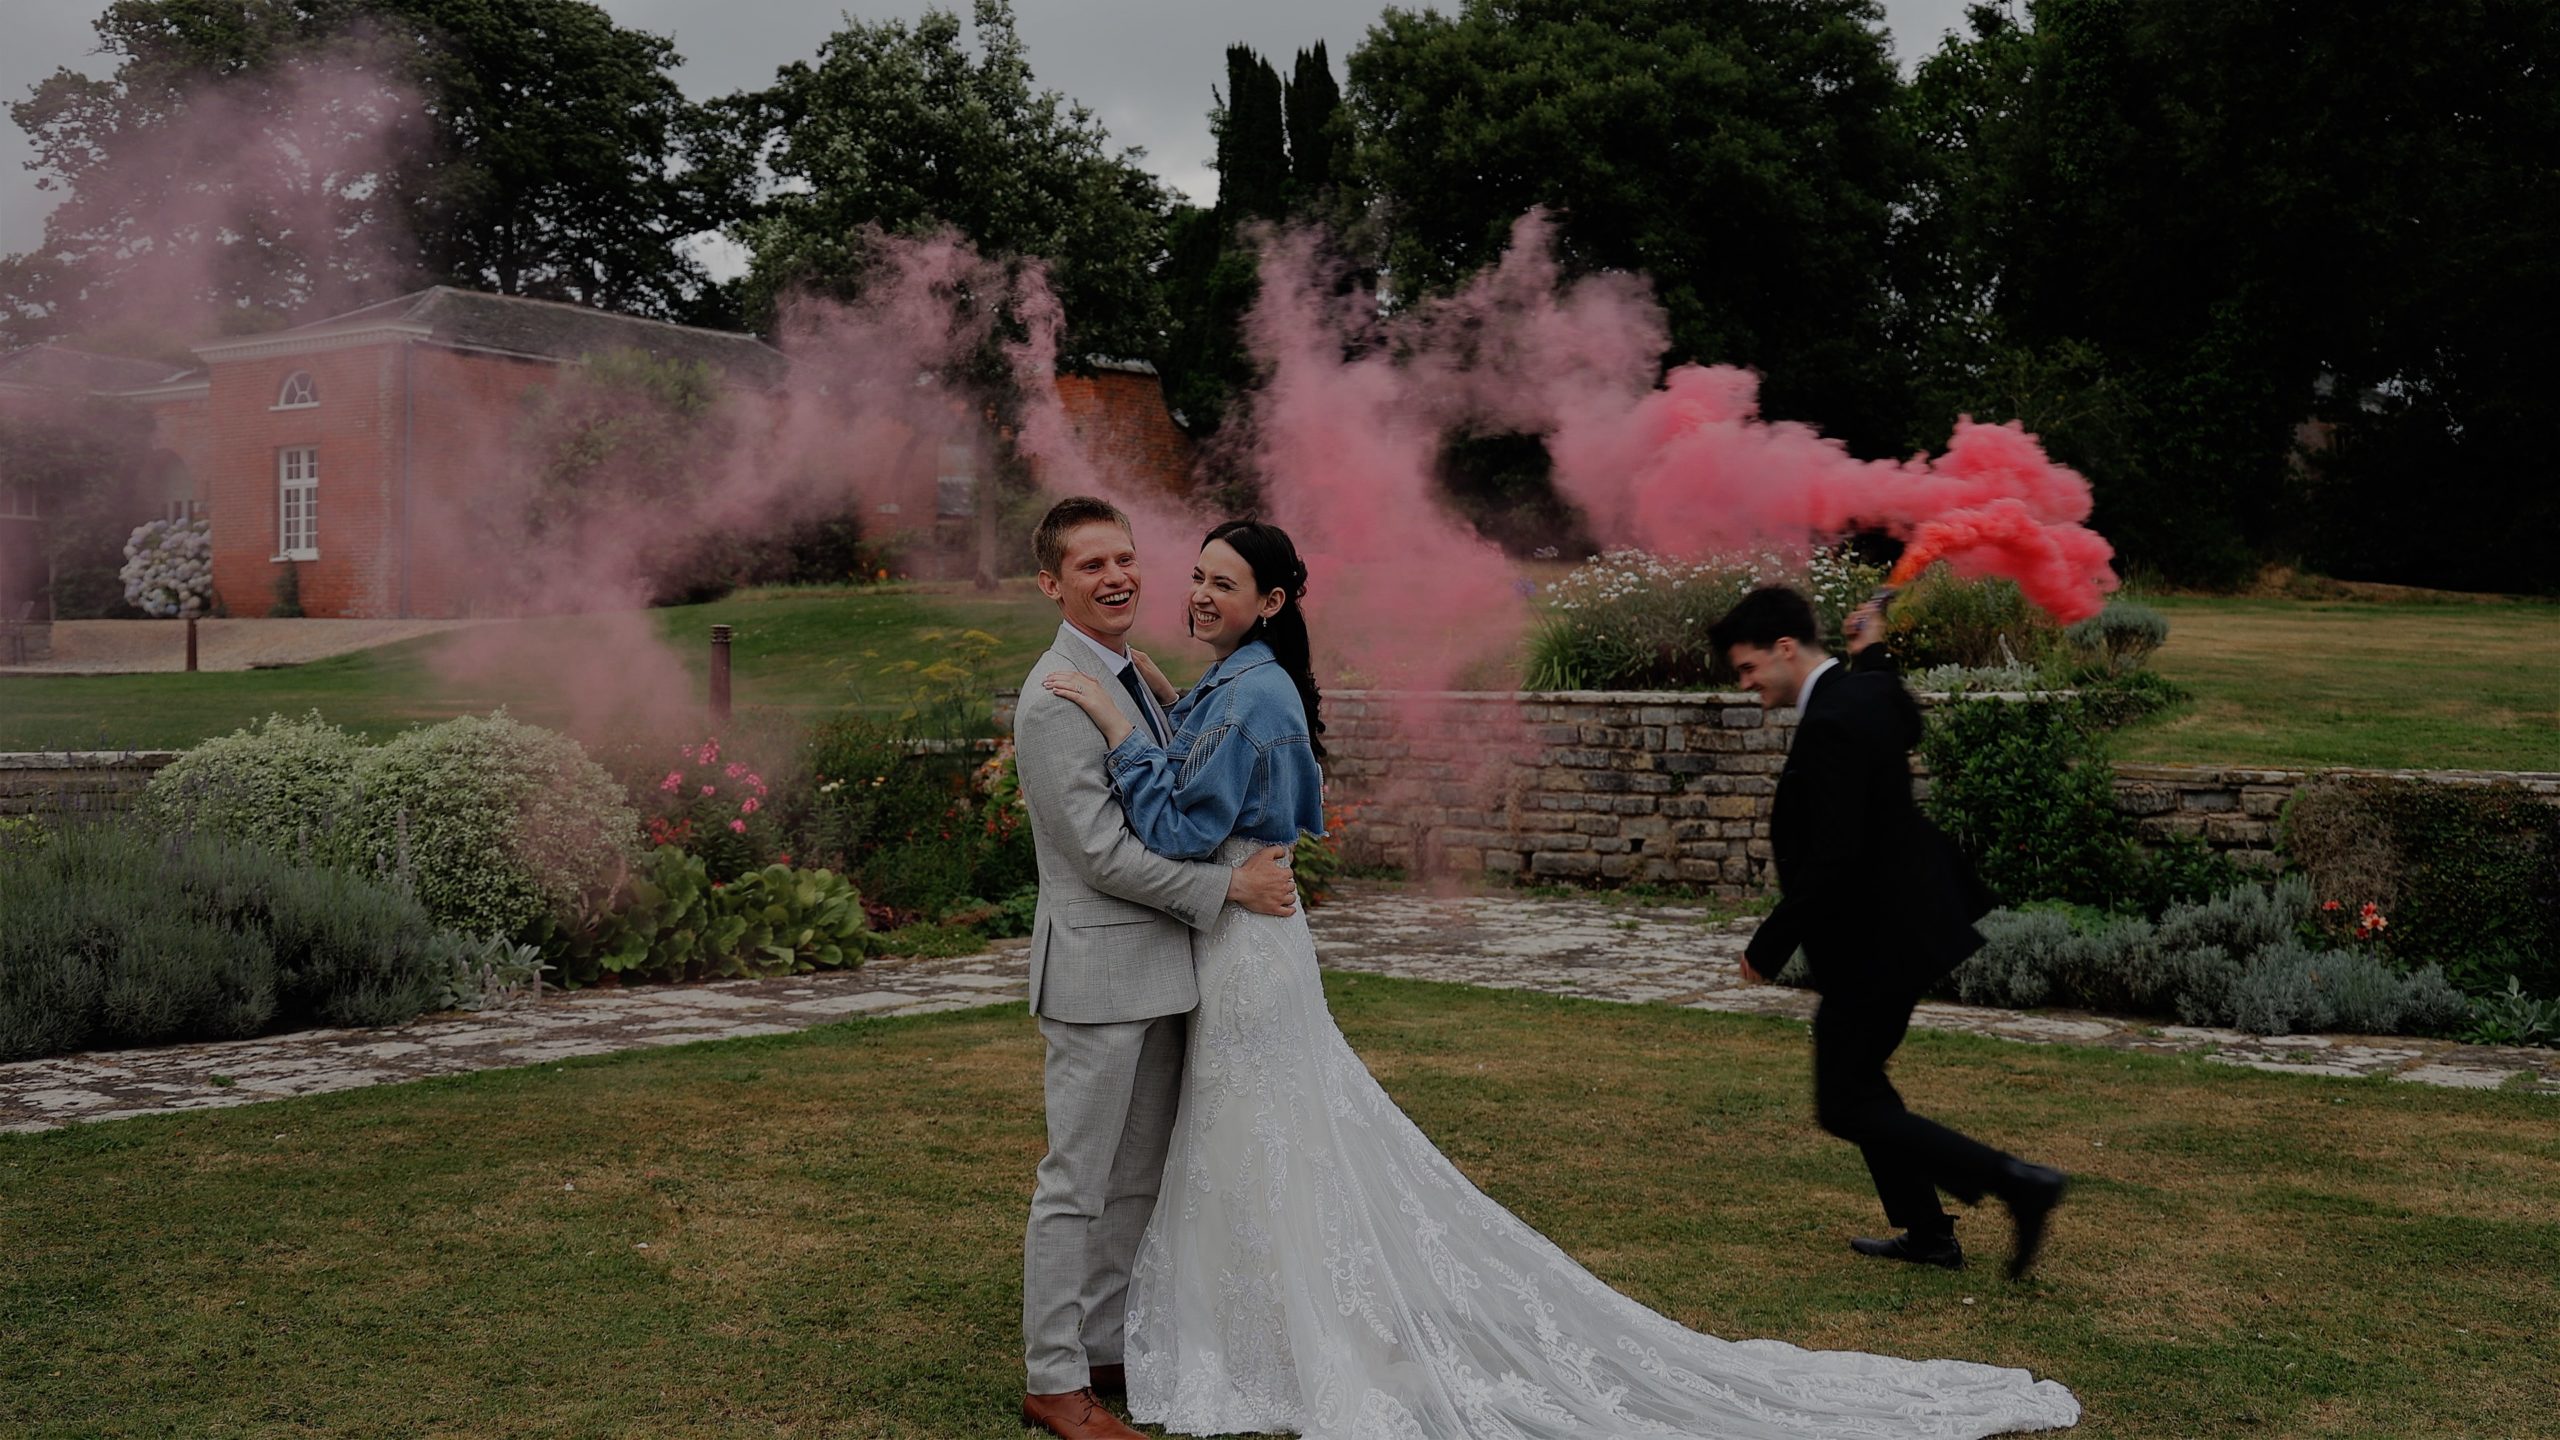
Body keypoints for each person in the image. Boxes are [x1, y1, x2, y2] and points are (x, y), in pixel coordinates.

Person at [1039, 524, 2081, 1439]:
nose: (1194, 592)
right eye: (1196, 575)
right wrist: (1154, 703)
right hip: (1240, 938)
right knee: (1256, 1143)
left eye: (1221, 580)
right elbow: (1206, 787)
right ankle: (1254, 1325)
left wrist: (1125, 724)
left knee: (1271, 1139)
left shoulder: (1248, 685)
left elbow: (1177, 821)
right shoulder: (1235, 678)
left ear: (1270, 600)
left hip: (1246, 943)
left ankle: (1286, 1336)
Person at [1011, 497, 1302, 1440]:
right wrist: (1227, 893)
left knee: (1136, 1181)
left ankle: (1101, 1348)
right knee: (1075, 1184)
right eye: (1091, 565)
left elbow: (1174, 783)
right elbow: (1102, 855)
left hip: (1167, 974)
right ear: (1052, 584)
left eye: (1126, 558)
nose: (1118, 578)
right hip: (1097, 976)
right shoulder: (1058, 693)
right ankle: (1054, 1382)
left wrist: (1166, 703)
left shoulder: (1130, 673)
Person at [1707, 584, 2070, 1280]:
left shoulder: (1834, 718)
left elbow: (1833, 856)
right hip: (1893, 929)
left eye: (1750, 668)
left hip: (1875, 939)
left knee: (1845, 1103)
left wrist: (1767, 946)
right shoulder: (1859, 693)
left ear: (1786, 649)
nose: (1747, 685)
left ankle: (2020, 1183)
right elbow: (1905, 719)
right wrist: (1871, 650)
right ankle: (1931, 1234)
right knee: (1861, 1087)